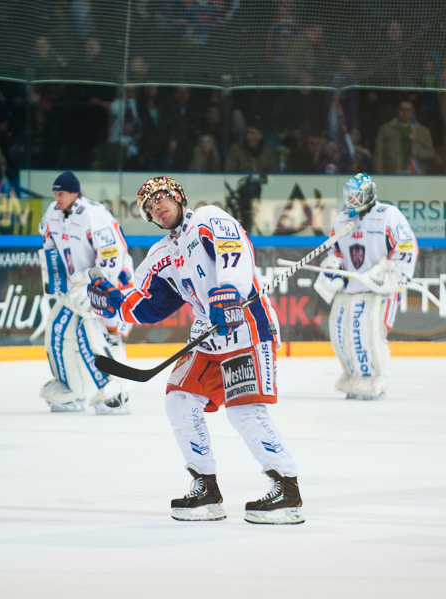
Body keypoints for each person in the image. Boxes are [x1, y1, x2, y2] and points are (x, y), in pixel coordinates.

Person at [87, 175, 304, 525]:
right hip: (208, 334)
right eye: (149, 206)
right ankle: (206, 487)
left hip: (245, 325)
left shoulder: (207, 218)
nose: (156, 207)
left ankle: (287, 490)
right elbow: (143, 305)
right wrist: (111, 299)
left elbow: (234, 250)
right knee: (180, 399)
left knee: (244, 412)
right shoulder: (162, 253)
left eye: (160, 198)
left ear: (178, 197)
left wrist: (229, 290)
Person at [313, 174, 418, 401]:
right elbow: (336, 253)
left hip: (379, 291)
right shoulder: (342, 220)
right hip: (350, 291)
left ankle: (375, 381)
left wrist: (390, 274)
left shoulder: (389, 215)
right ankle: (354, 378)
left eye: (356, 196)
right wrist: (333, 269)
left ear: (369, 195)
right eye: (348, 196)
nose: (351, 200)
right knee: (341, 336)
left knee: (370, 335)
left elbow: (406, 249)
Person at [38, 171, 134, 415]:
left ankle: (114, 392)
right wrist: (56, 281)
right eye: (55, 193)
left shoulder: (93, 215)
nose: (57, 197)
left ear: (74, 194)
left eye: (62, 193)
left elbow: (113, 256)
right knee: (57, 328)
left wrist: (96, 285)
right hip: (76, 288)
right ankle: (69, 389)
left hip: (111, 287)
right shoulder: (52, 214)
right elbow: (49, 246)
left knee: (96, 334)